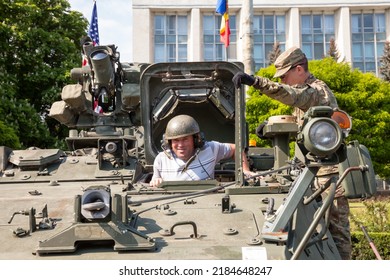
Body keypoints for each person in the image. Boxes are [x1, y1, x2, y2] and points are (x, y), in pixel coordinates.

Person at [232, 46, 351, 260]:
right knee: (312, 231)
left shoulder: (316, 91)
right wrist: (269, 125)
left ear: (298, 69)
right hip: (310, 173)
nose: (284, 81)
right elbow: (303, 127)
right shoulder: (307, 94)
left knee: (336, 234)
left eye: (285, 76)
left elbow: (290, 95)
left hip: (327, 175)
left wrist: (255, 81)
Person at [150, 114, 254, 187]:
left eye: (185, 139)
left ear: (195, 139)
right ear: (169, 142)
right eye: (176, 140)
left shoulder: (210, 149)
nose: (180, 145)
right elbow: (155, 179)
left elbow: (235, 148)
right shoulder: (161, 159)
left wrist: (245, 171)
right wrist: (155, 181)